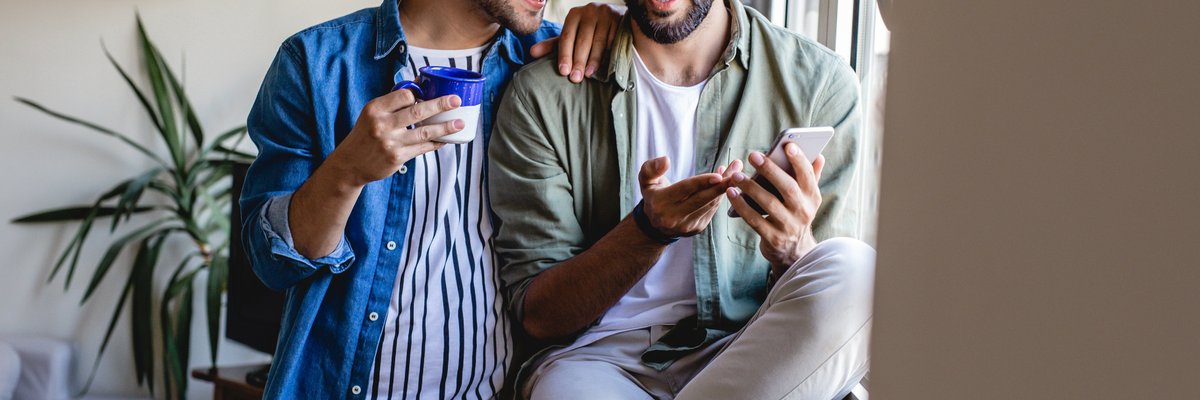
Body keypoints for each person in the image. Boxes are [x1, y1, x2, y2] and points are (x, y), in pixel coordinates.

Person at [487, 0, 876, 397]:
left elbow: (826, 297)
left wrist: (792, 251)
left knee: (860, 272)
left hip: (750, 349)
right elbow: (541, 316)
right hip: (597, 359)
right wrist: (647, 231)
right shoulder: (544, 94)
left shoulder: (819, 83)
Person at [239, 0, 623, 397]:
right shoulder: (316, 62)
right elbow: (272, 265)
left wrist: (621, 27)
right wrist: (346, 173)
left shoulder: (562, 57)